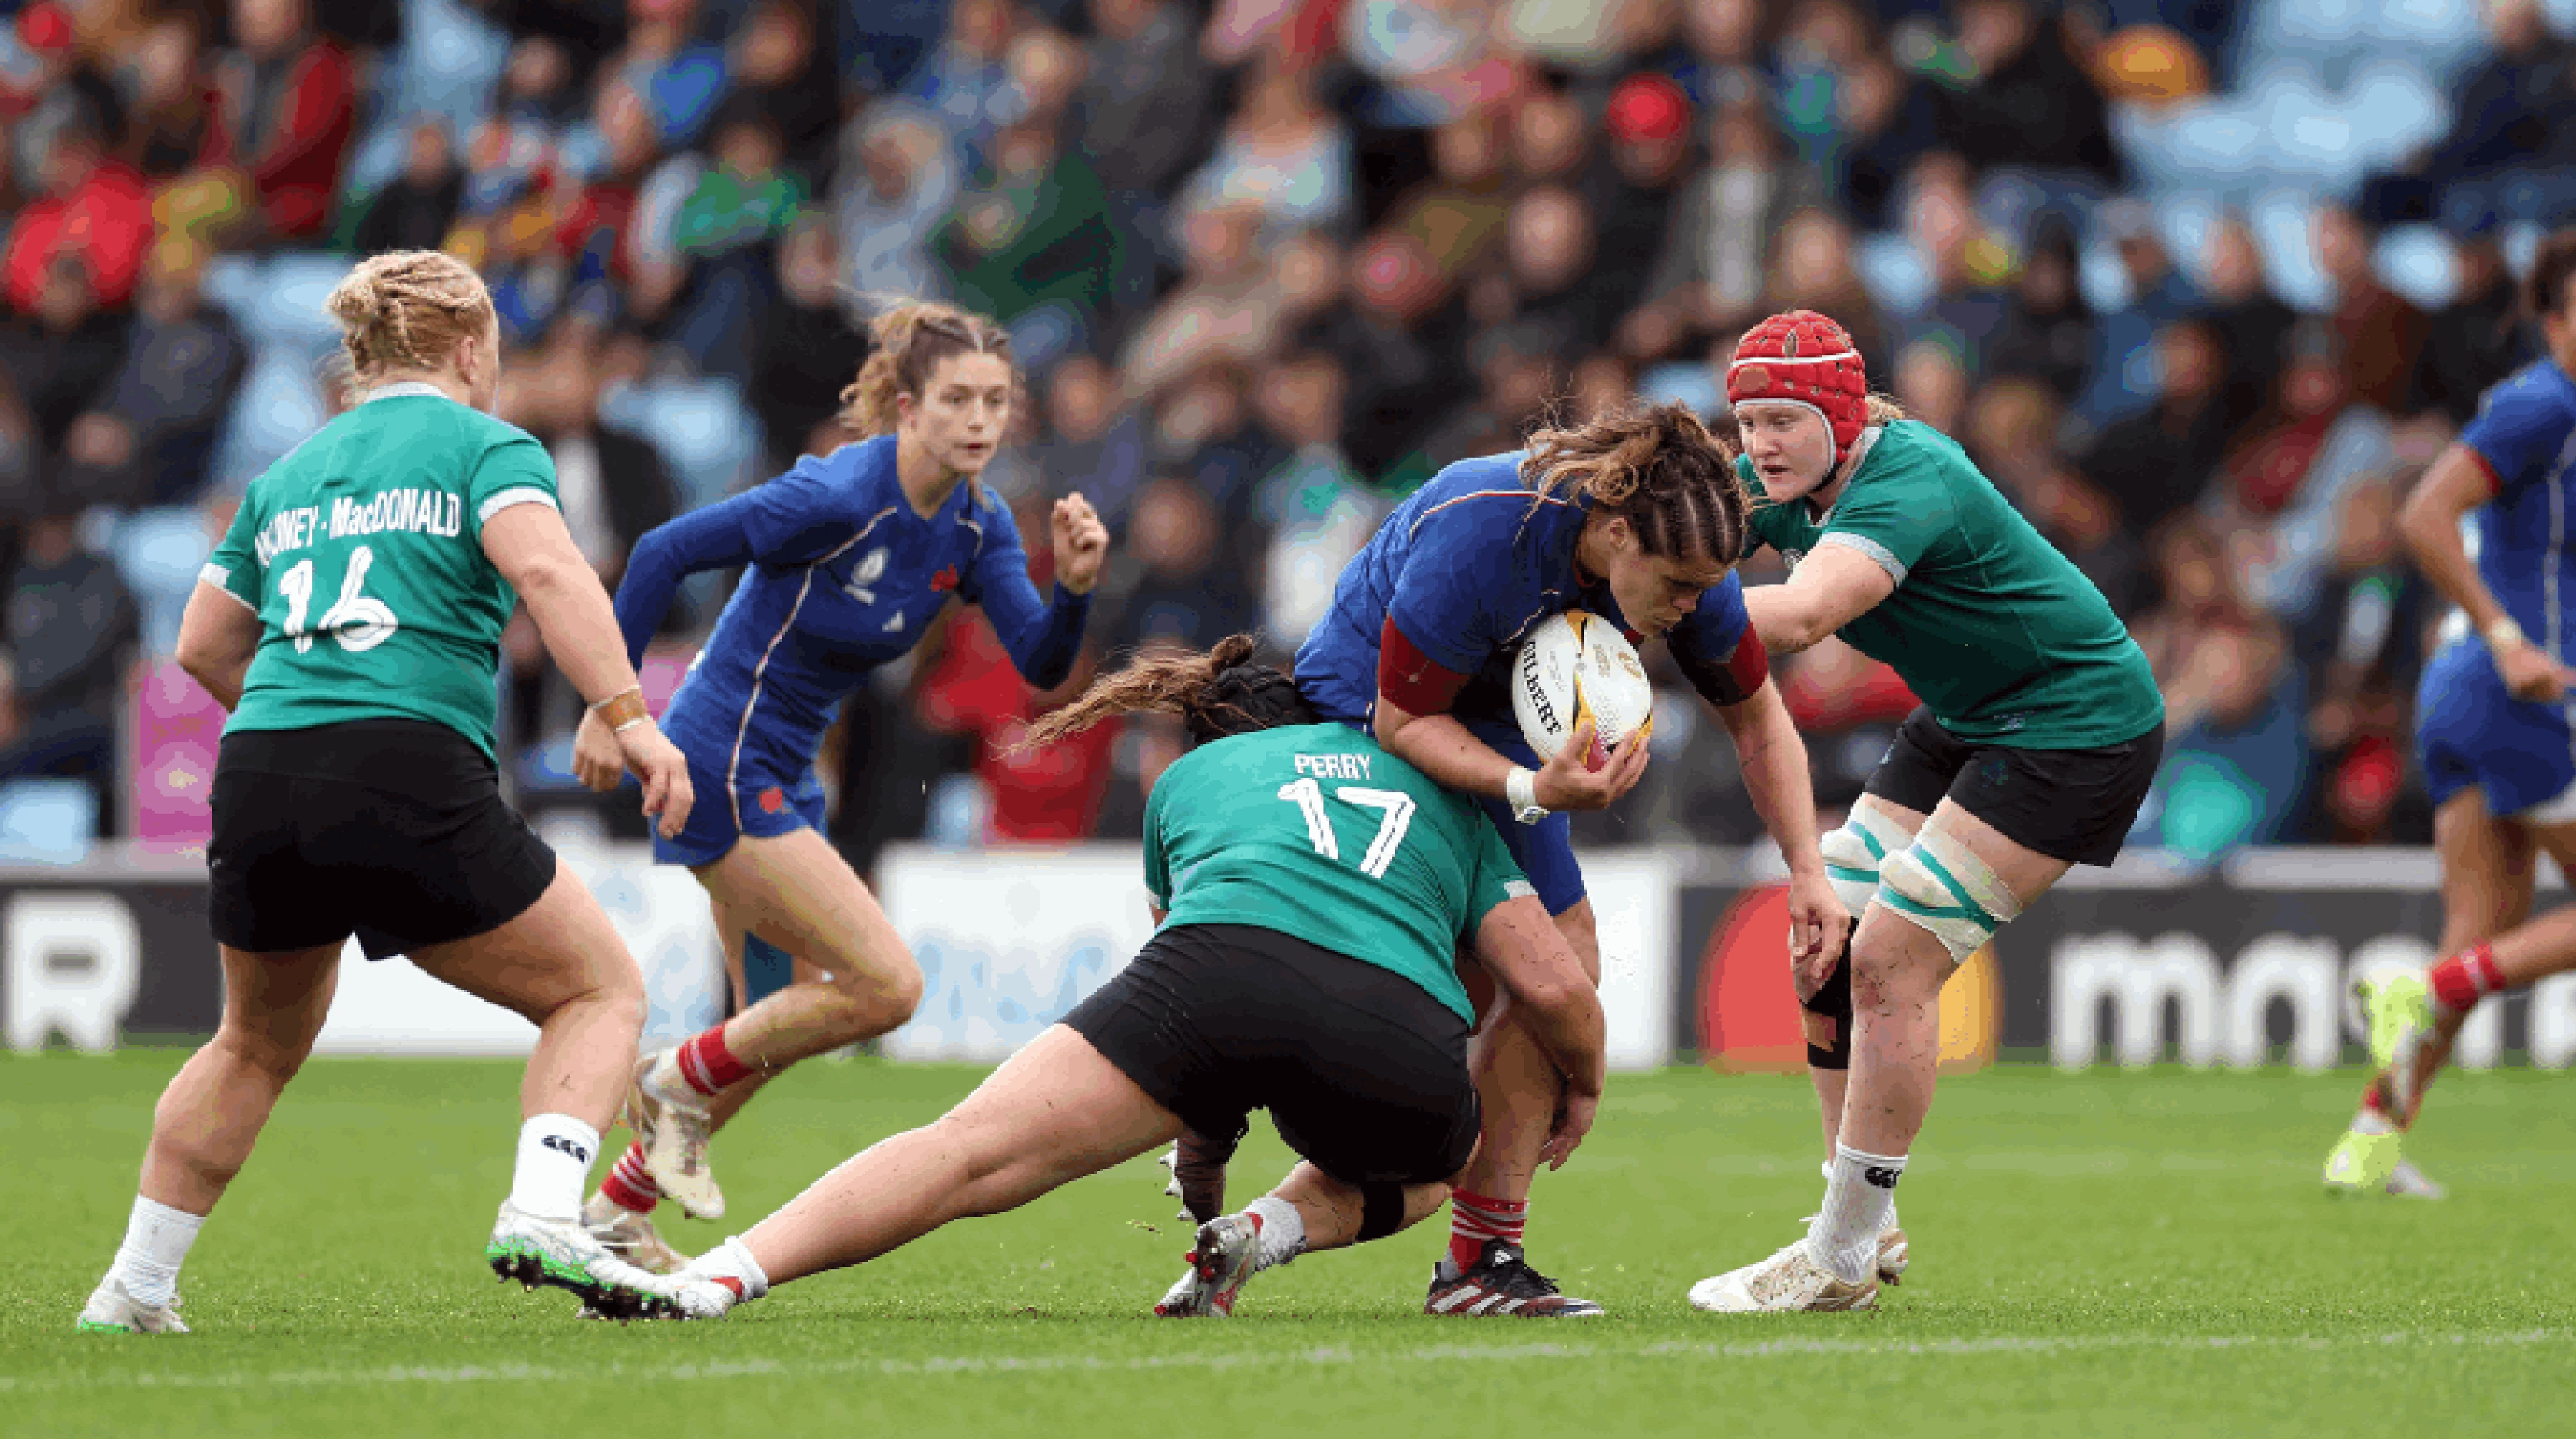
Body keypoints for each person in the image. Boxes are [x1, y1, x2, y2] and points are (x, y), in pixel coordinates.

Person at [76, 250, 700, 1332]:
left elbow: (200, 643)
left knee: (251, 1045)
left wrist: (306, 719)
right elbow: (550, 573)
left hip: (263, 763)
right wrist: (634, 721)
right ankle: (546, 1213)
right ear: (468, 350)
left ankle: (134, 1286)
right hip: (406, 759)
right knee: (598, 992)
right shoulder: (485, 446)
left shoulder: (289, 472)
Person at [623, 635, 1607, 1321]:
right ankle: (1264, 1230)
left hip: (1211, 972)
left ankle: (718, 1276)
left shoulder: (1184, 786)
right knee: (1436, 1171)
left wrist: (1199, 1159)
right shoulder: (1444, 787)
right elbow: (1554, 988)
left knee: (966, 1151)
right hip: (1393, 1024)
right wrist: (1586, 1077)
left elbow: (1220, 994)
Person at [571, 302, 1109, 1269]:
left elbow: (1038, 659)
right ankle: (666, 1085)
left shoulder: (979, 525)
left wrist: (1071, 586)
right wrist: (615, 712)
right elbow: (659, 554)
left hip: (785, 774)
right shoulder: (833, 497)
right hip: (719, 757)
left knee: (769, 1023)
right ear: (908, 407)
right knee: (887, 986)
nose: (979, 420)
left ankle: (620, 1205)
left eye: (995, 401)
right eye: (957, 400)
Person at [1280, 400, 1838, 1317]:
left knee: (1563, 971)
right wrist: (1534, 792)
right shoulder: (1484, 528)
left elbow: (1759, 722)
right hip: (1363, 715)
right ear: (1617, 532)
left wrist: (1808, 875)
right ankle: (1250, 1134)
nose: (1693, 608)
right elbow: (1402, 717)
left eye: (1708, 588)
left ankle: (1476, 1264)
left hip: (1499, 729)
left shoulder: (1689, 551)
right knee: (1506, 982)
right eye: (1681, 587)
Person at [1689, 309, 2167, 1313]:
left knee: (1889, 956)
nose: (1759, 444)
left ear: (1841, 413)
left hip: (2075, 724)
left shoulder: (1906, 478)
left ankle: (1843, 1252)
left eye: (1782, 418)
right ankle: (1857, 1228)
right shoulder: (1782, 479)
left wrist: (1632, 614)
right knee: (1823, 935)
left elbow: (1807, 615)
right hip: (1973, 714)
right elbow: (1670, 534)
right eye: (1746, 422)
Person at [2323, 230, 2576, 1196]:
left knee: (2484, 923)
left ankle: (2371, 1143)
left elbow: (2575, 558)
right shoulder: (2540, 404)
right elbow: (2423, 516)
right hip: (2515, 687)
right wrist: (2505, 637)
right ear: (2554, 323)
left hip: (2466, 694)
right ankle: (2418, 992)